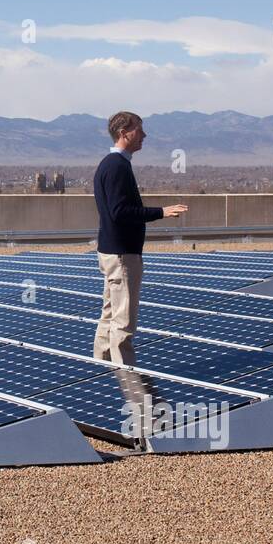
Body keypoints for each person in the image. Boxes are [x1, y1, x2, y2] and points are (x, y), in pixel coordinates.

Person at [92, 112, 187, 365]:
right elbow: (119, 211)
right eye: (139, 130)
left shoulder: (112, 164)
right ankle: (127, 380)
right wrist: (161, 212)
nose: (144, 135)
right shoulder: (116, 167)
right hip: (122, 254)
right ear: (124, 133)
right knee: (123, 323)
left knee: (110, 315)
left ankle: (99, 371)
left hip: (113, 250)